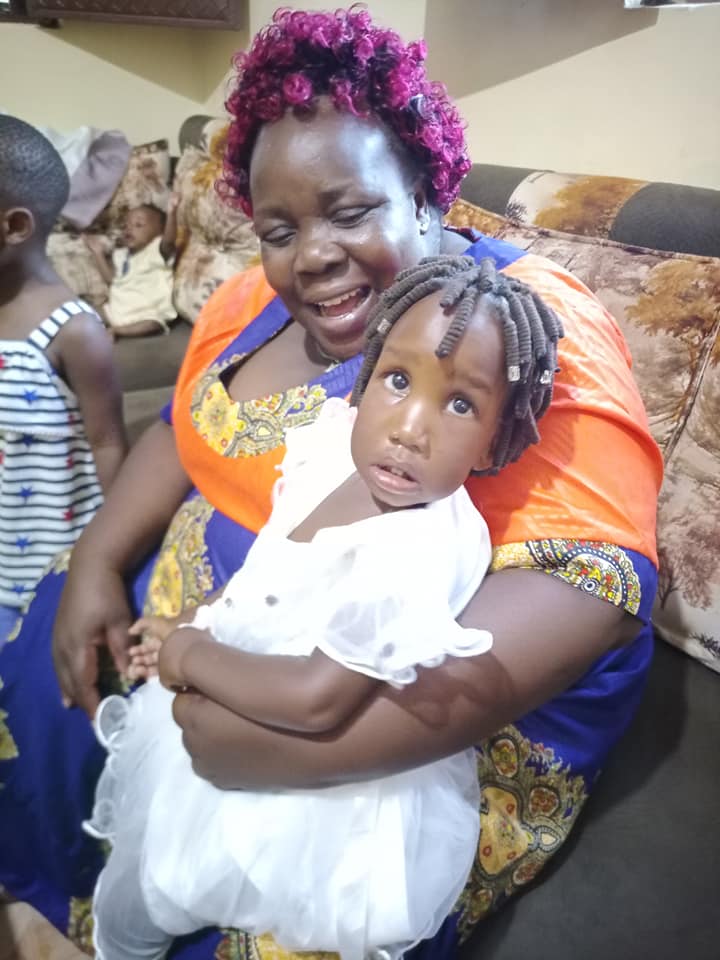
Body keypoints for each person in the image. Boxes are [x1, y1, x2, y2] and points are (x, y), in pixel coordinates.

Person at [0, 8, 663, 960]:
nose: (311, 253)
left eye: (350, 212)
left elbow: (588, 588)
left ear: (425, 192)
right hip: (225, 637)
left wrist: (289, 751)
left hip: (398, 714)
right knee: (46, 659)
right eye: (280, 227)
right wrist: (101, 556)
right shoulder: (257, 295)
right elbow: (188, 426)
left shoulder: (519, 328)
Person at [85, 254, 562, 960]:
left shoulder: (418, 545)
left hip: (303, 779)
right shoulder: (331, 447)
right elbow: (270, 568)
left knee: (165, 883)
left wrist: (188, 655)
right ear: (366, 376)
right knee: (145, 855)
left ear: (496, 438)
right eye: (397, 380)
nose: (410, 428)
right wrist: (198, 620)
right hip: (238, 676)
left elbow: (317, 700)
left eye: (461, 404)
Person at [0, 115, 127, 646]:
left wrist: (115, 562)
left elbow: (108, 444)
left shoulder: (74, 332)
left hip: (48, 578)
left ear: (14, 227)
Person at [84, 194, 179, 339]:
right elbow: (111, 280)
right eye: (126, 225)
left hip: (146, 313)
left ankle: (118, 331)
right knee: (85, 311)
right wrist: (98, 253)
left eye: (138, 225)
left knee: (153, 324)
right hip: (116, 309)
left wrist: (172, 212)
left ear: (159, 232)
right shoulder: (121, 254)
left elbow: (169, 240)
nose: (129, 229)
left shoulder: (157, 251)